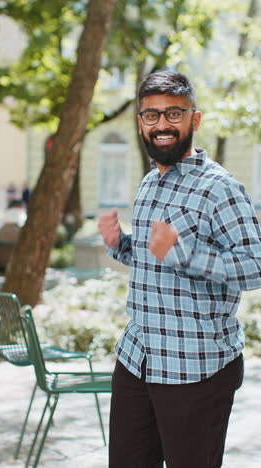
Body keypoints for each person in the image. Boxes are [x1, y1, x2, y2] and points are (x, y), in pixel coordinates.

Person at [98, 71, 261, 468]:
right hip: (138, 358)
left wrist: (183, 253)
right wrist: (120, 243)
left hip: (196, 367)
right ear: (140, 123)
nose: (162, 125)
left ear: (195, 120)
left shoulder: (220, 188)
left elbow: (255, 267)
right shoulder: (149, 184)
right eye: (151, 116)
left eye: (174, 113)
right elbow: (151, 258)